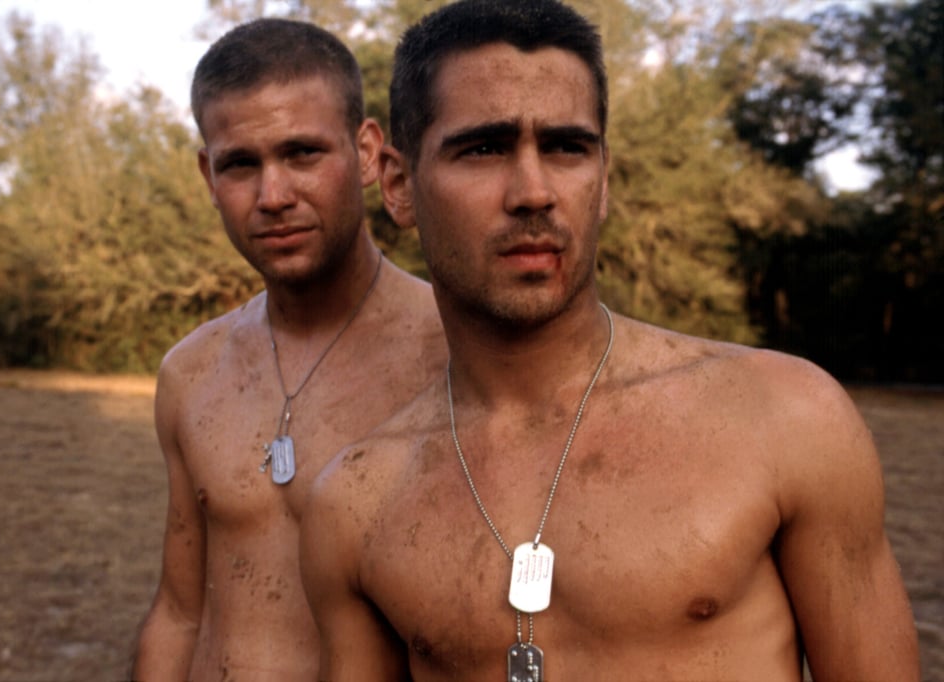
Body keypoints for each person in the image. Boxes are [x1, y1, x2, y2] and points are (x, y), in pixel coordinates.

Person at [299, 1, 921, 679]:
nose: (534, 192)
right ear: (397, 184)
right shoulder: (358, 503)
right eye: (483, 148)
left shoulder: (784, 418)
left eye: (568, 147)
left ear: (603, 183)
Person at [131, 18, 446, 680]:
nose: (273, 197)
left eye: (302, 153)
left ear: (366, 153)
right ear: (207, 175)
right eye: (241, 164)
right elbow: (180, 612)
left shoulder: (454, 354)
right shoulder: (191, 373)